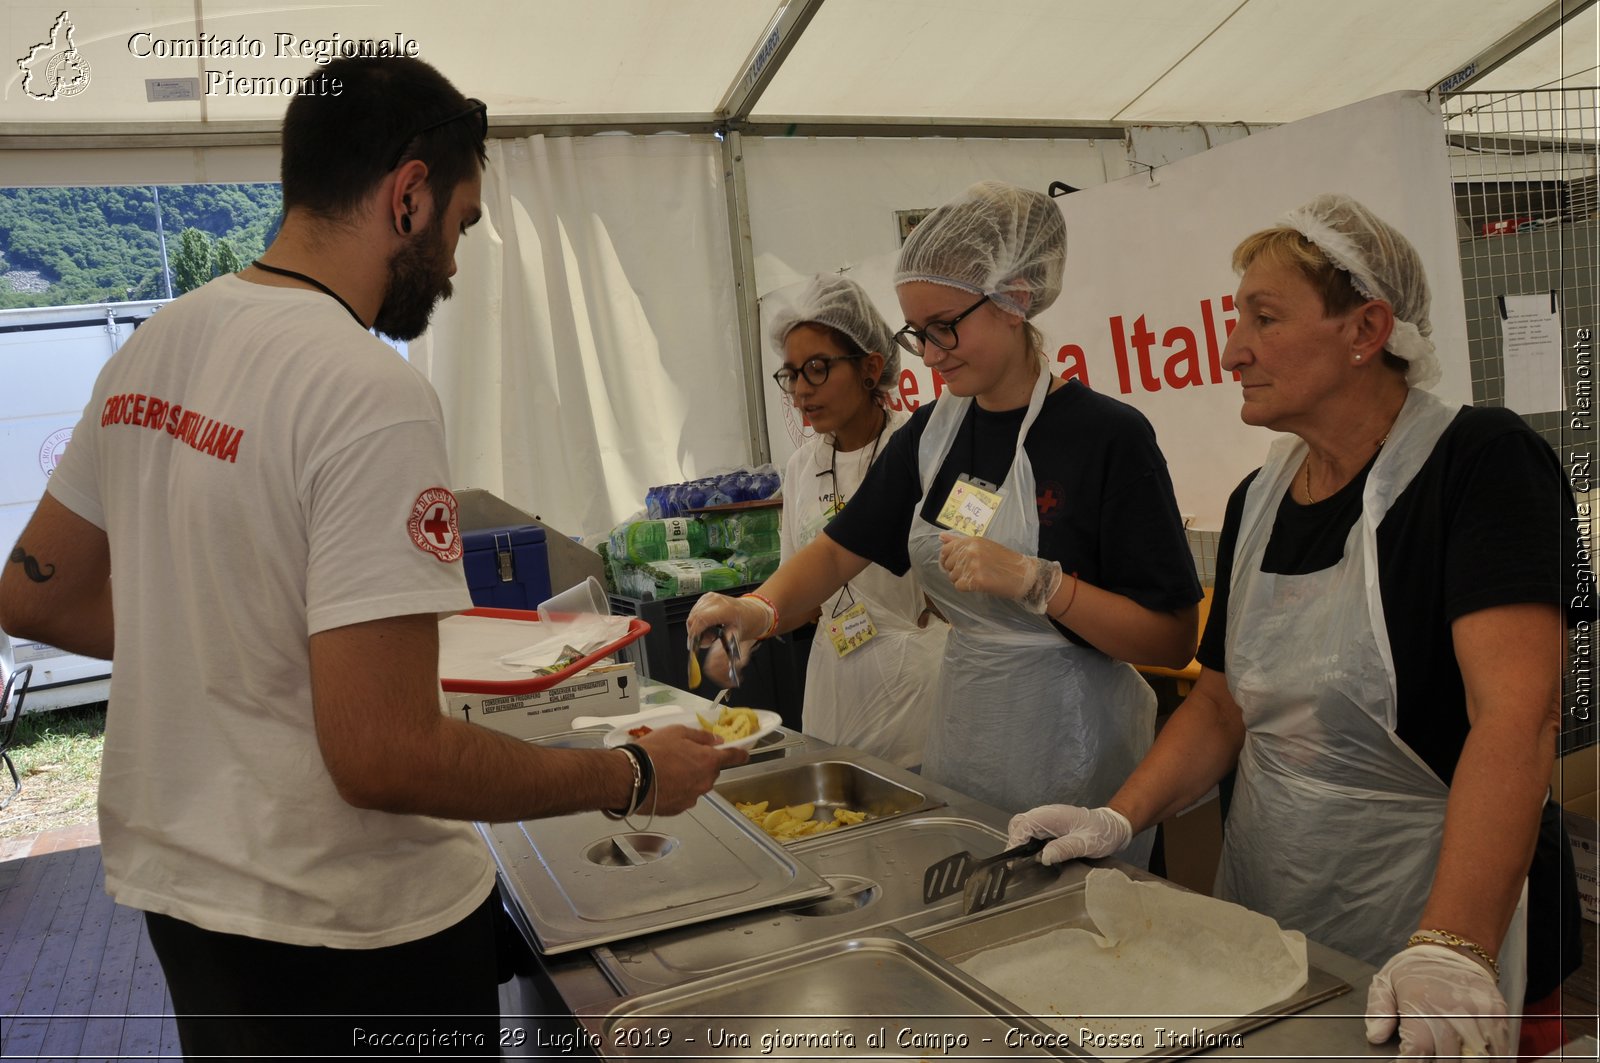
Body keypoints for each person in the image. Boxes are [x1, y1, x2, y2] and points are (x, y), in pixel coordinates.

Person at [0, 56, 745, 1059]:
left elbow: (33, 596)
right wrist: (627, 772)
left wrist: (228, 637)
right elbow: (382, 752)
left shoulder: (151, 348)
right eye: (461, 225)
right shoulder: (365, 387)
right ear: (409, 193)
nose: (452, 260)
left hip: (187, 901)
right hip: (350, 928)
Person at [1007, 193, 1584, 1058]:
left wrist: (1454, 943)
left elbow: (1517, 716)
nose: (1232, 349)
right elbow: (1222, 704)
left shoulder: (1481, 463)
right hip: (1277, 897)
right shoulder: (1259, 496)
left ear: (1365, 328)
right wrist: (1117, 818)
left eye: (1263, 319)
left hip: (1444, 911)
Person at [690, 181, 1201, 843]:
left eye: (945, 327)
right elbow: (842, 549)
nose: (930, 354)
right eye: (918, 333)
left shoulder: (1108, 438)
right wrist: (758, 608)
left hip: (1078, 758)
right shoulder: (931, 435)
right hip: (965, 748)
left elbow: (1172, 638)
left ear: (1014, 298)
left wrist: (1044, 585)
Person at [764, 274, 948, 768]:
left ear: (871, 367)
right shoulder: (803, 466)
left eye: (818, 369)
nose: (801, 390)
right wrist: (748, 619)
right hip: (836, 691)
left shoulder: (919, 449)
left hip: (919, 693)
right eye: (792, 374)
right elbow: (800, 596)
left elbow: (955, 584)